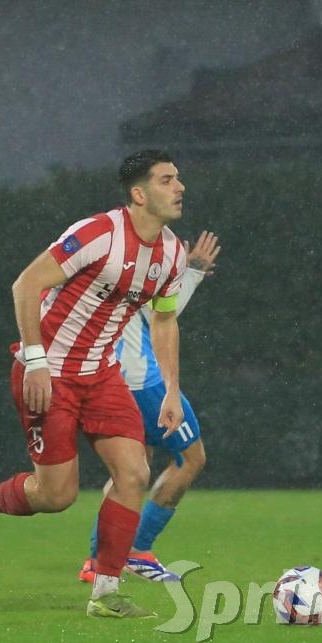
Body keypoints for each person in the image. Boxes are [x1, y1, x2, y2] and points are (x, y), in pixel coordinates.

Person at [0, 150, 187, 619]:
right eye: (167, 180)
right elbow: (26, 285)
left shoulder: (173, 253)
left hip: (101, 375)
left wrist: (171, 389)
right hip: (49, 373)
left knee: (134, 474)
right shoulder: (99, 233)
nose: (180, 187)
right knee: (56, 496)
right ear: (139, 193)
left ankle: (105, 593)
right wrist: (35, 360)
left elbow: (165, 321)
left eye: (178, 179)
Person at [78, 230, 220, 584]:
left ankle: (98, 560)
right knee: (190, 459)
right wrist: (192, 272)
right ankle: (137, 550)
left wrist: (183, 272)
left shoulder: (112, 260)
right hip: (144, 381)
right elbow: (161, 315)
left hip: (112, 376)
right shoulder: (141, 264)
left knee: (131, 469)